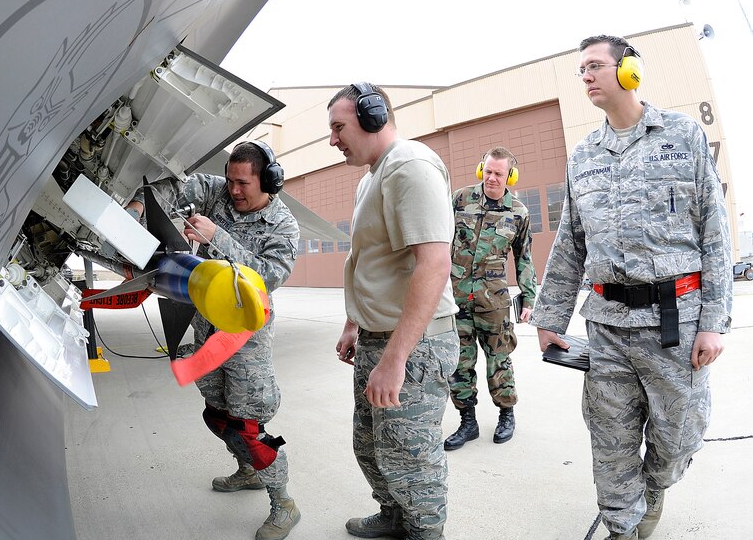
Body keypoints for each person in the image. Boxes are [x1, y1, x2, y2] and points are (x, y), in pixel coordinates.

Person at [529, 35, 732, 540]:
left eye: (595, 66)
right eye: (581, 70)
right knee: (611, 439)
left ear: (629, 71)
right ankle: (623, 526)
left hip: (676, 325)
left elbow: (714, 231)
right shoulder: (584, 156)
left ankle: (655, 490)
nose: (586, 76)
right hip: (607, 328)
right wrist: (550, 319)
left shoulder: (681, 136)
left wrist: (713, 322)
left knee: (678, 436)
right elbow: (570, 245)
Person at [127, 140, 301, 540]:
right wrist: (139, 205)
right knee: (217, 413)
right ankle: (247, 472)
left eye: (243, 183)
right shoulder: (216, 190)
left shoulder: (283, 225)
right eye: (230, 180)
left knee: (248, 424)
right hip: (205, 327)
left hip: (244, 340)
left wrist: (216, 237)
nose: (233, 190)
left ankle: (283, 503)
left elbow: (268, 277)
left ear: (269, 181)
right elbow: (167, 187)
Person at [329, 82, 459, 540]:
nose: (333, 140)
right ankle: (393, 516)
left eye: (339, 127)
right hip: (376, 336)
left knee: (410, 457)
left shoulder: (410, 167)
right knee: (370, 445)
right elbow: (371, 258)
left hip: (414, 345)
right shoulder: (372, 176)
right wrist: (354, 323)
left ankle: (424, 532)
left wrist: (396, 358)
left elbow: (434, 263)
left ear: (372, 117)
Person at [444, 146, 537, 450]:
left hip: (494, 301)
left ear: (510, 175)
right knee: (460, 362)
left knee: (499, 360)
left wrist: (529, 297)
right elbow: (439, 242)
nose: (492, 178)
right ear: (480, 168)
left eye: (499, 173)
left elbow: (524, 258)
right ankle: (467, 421)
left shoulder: (518, 212)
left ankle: (506, 414)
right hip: (458, 297)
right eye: (488, 170)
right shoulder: (459, 199)